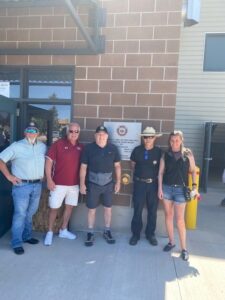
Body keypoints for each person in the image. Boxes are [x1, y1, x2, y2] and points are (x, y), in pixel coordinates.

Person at [0, 122, 46, 255]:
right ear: (25, 133)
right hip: (22, 186)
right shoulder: (17, 146)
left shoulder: (42, 146)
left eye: (34, 130)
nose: (32, 133)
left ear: (38, 133)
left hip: (37, 185)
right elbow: (1, 160)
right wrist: (9, 176)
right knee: (20, 214)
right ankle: (16, 242)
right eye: (29, 130)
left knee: (30, 213)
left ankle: (26, 236)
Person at [158, 130, 198, 261]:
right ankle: (171, 242)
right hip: (167, 189)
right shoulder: (166, 154)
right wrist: (160, 189)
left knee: (180, 220)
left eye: (177, 140)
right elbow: (161, 173)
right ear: (169, 141)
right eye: (172, 140)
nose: (174, 142)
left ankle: (184, 249)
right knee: (168, 216)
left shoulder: (188, 154)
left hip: (181, 191)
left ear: (181, 140)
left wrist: (194, 187)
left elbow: (193, 171)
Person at [80, 125, 121, 246]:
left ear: (107, 136)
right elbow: (83, 167)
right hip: (93, 184)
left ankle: (107, 231)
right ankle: (90, 232)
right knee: (91, 210)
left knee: (108, 209)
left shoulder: (113, 148)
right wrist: (82, 184)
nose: (101, 136)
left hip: (108, 184)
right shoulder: (88, 149)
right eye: (98, 134)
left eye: (103, 134)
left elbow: (117, 166)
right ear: (95, 136)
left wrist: (118, 182)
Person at [44, 122, 83, 246]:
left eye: (76, 131)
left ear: (79, 133)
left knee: (69, 207)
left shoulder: (81, 147)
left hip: (74, 185)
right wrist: (49, 179)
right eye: (71, 131)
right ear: (67, 132)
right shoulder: (58, 144)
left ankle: (63, 230)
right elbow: (48, 162)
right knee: (54, 208)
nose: (73, 134)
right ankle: (49, 232)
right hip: (58, 184)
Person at [129, 127, 162, 246]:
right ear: (143, 138)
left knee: (152, 211)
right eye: (146, 137)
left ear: (155, 138)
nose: (148, 139)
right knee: (137, 210)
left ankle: (150, 234)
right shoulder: (137, 150)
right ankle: (135, 234)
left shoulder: (159, 152)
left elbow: (161, 169)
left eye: (151, 137)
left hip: (153, 185)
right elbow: (132, 165)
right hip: (139, 184)